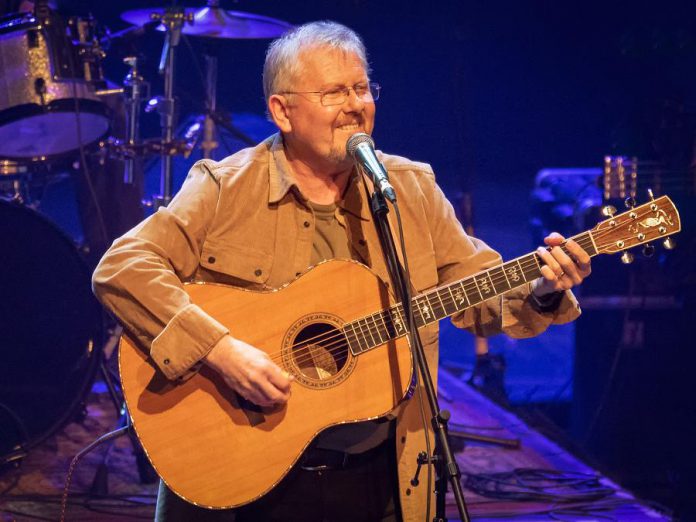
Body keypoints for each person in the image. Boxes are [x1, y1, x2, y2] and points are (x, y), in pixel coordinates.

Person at [92, 21, 591, 522]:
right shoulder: (224, 186)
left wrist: (544, 288)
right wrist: (220, 351)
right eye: (334, 91)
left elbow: (480, 293)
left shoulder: (409, 190)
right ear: (282, 111)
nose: (356, 104)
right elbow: (123, 266)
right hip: (241, 470)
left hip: (381, 474)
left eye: (362, 88)